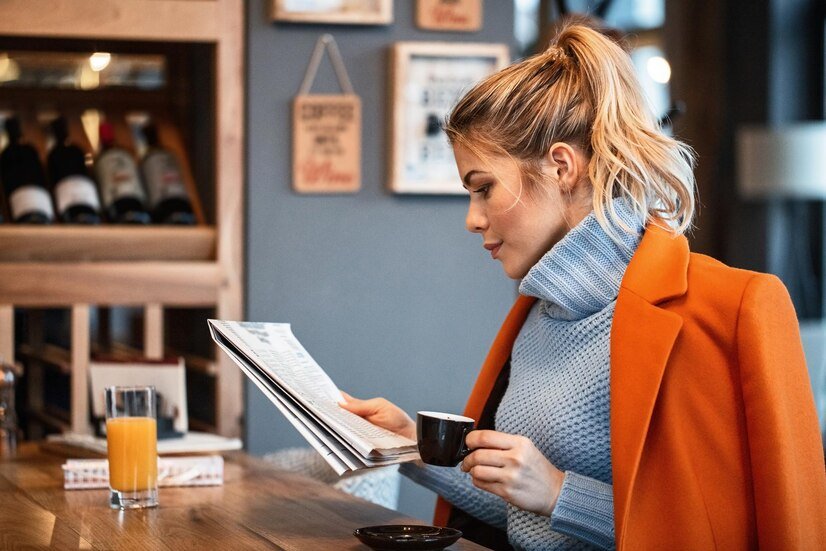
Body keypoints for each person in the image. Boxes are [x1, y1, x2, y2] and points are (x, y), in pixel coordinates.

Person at [341, 20, 826, 551]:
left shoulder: (734, 307)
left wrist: (558, 493)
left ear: (561, 168)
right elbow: (522, 514)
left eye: (483, 188)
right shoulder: (535, 317)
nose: (472, 219)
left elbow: (743, 533)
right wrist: (409, 449)